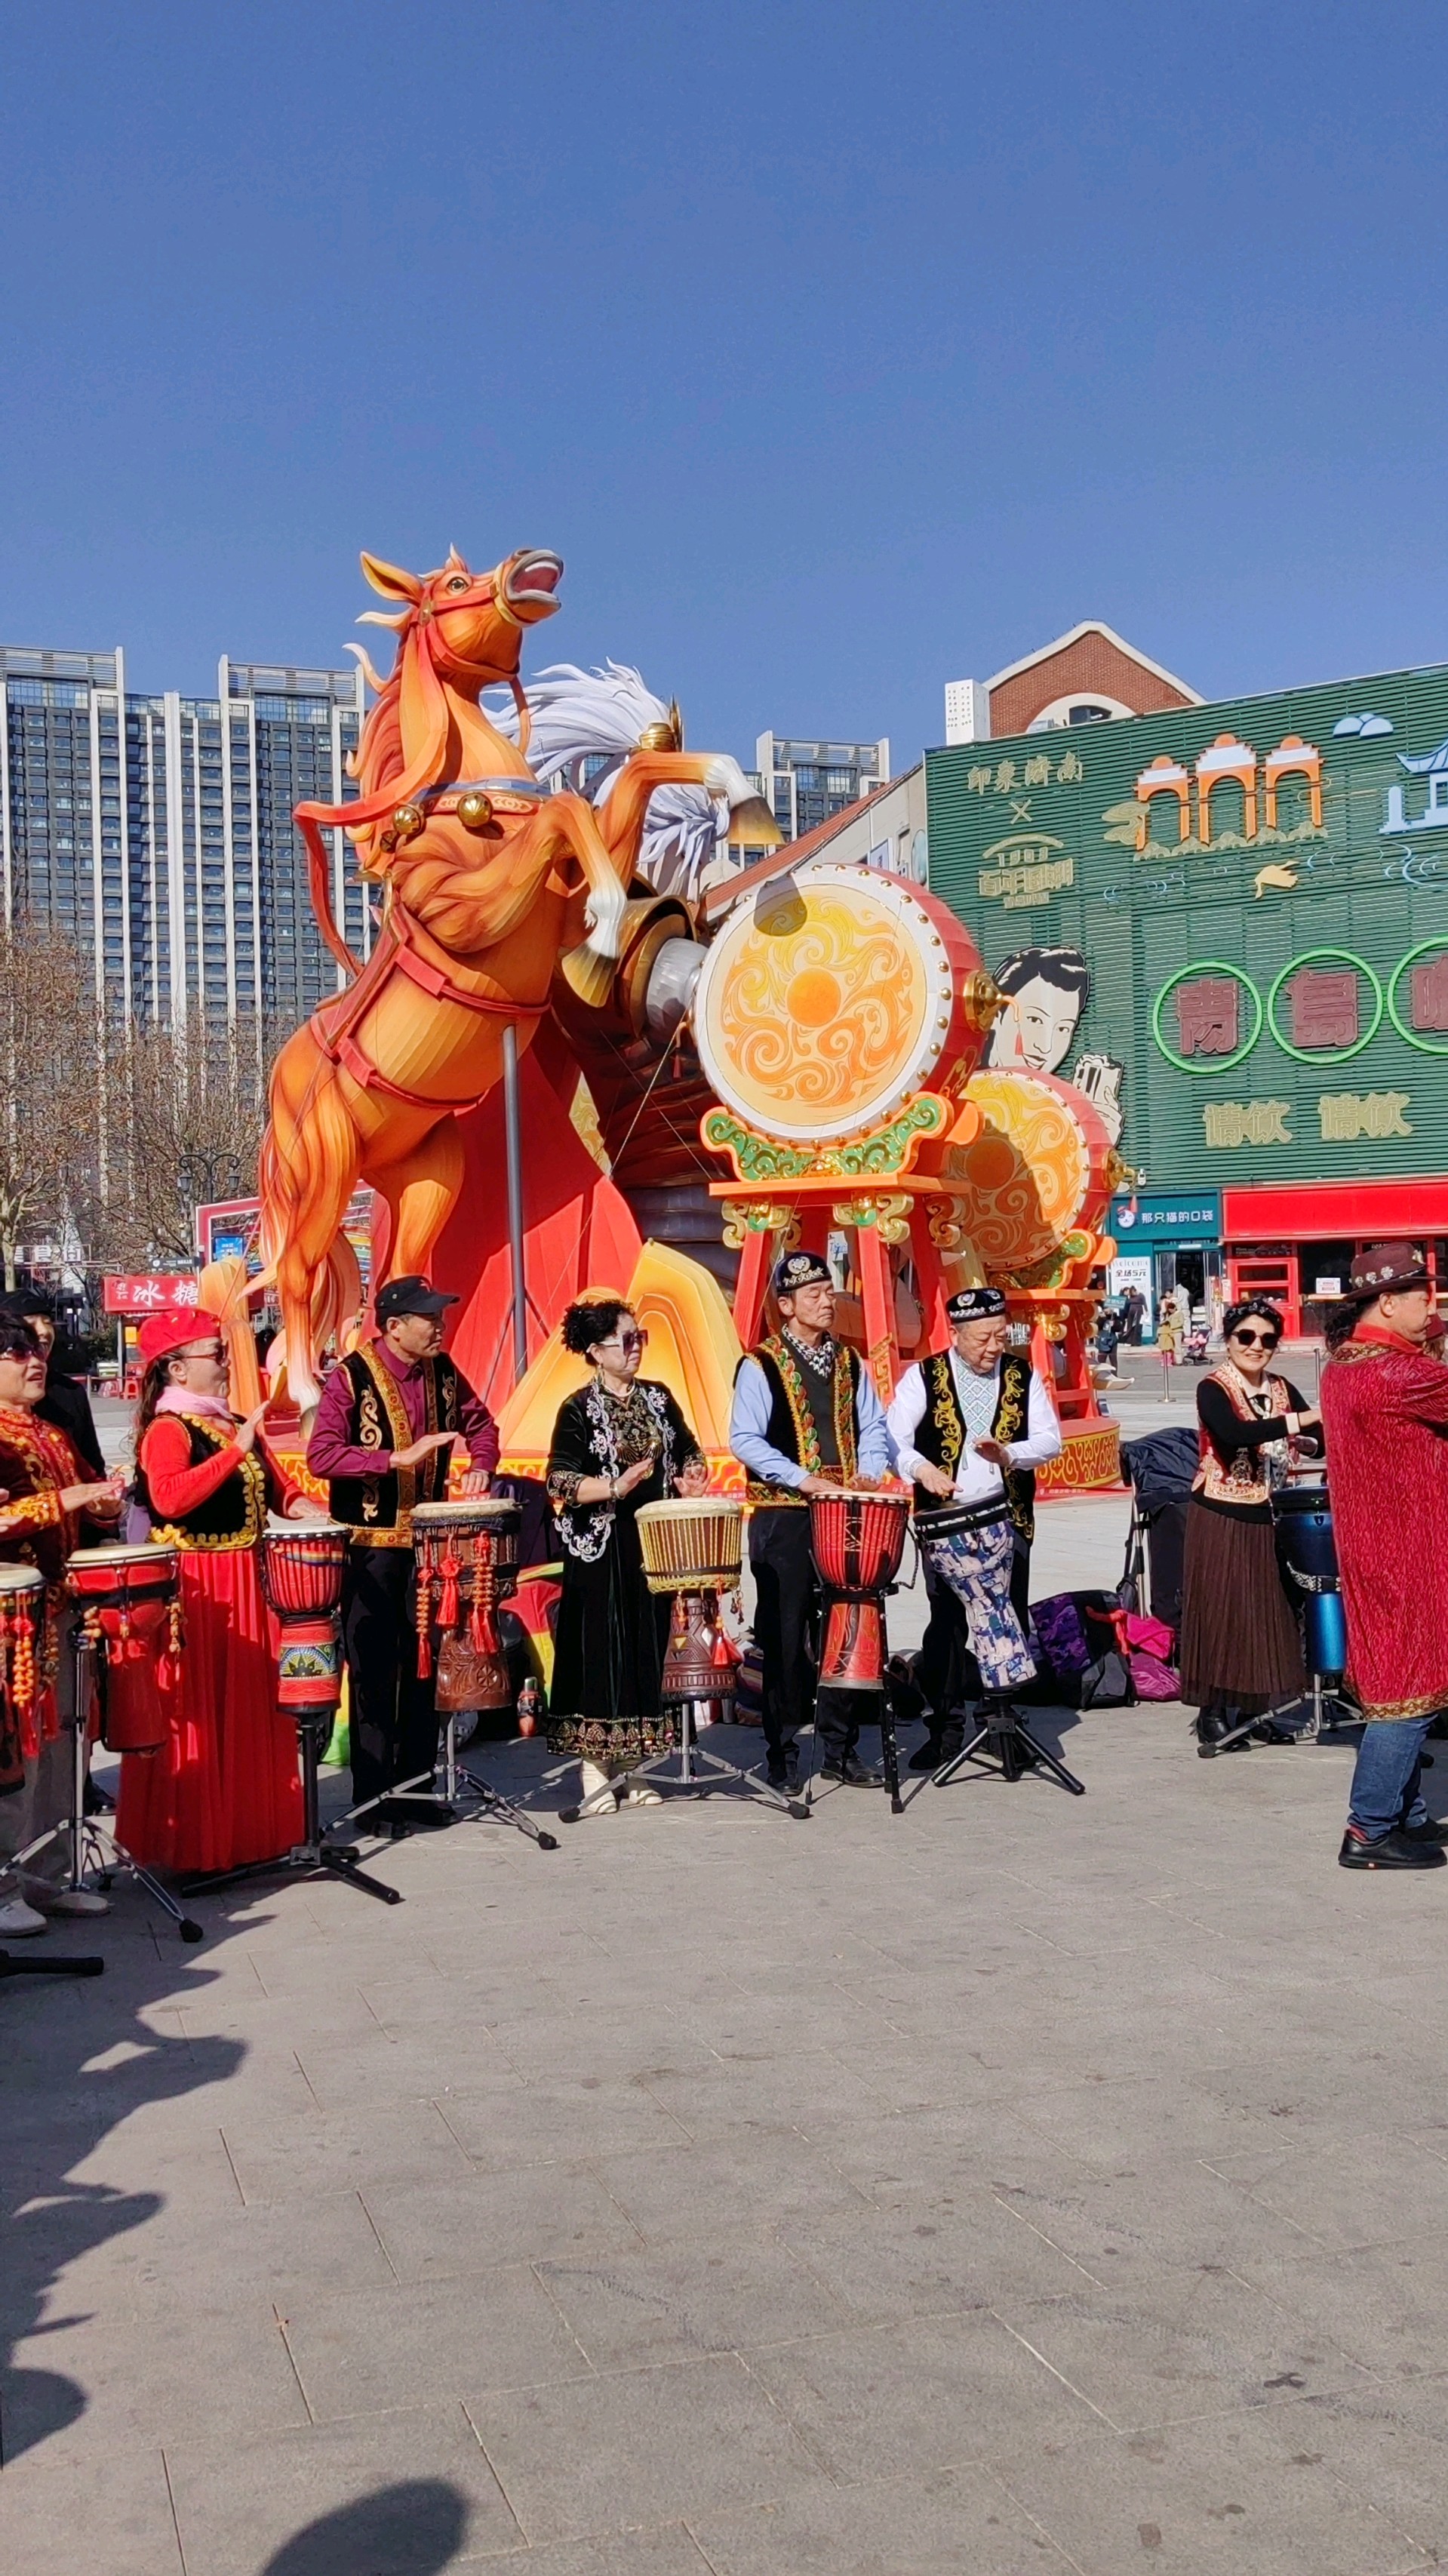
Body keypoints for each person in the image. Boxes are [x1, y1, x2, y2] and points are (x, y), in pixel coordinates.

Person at [116, 1310, 319, 1877]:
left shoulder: (230, 1421)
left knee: (251, 1709)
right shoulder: (168, 1429)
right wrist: (235, 1451)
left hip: (248, 1580)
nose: (228, 1363)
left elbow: (281, 1490)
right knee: (202, 1709)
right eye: (217, 1354)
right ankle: (199, 1846)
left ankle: (249, 1835)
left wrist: (311, 1510)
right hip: (199, 1588)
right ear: (177, 1369)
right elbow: (169, 1497)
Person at [307, 1275, 500, 1830]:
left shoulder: (443, 1370)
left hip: (430, 1549)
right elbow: (322, 1455)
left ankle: (417, 1789)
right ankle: (372, 1799)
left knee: (424, 1668)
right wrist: (394, 1459)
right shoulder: (351, 1376)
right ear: (394, 1326)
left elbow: (481, 1424)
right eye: (428, 1318)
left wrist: (481, 1464)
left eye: (440, 1316)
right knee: (373, 1672)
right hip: (370, 1552)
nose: (440, 1326)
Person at [729, 1250, 892, 1790]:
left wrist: (869, 1470)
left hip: (842, 1511)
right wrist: (802, 1478)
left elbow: (872, 1426)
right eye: (814, 1294)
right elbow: (745, 1439)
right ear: (786, 1305)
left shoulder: (850, 1361)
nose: (827, 1301)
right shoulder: (760, 1364)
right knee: (783, 1631)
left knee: (845, 1626)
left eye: (829, 1291)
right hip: (783, 1514)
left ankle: (840, 1746)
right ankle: (781, 1750)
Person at [544, 1297, 708, 1820]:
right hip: (601, 1549)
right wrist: (615, 1485)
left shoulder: (658, 1397)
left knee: (646, 1647)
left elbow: (689, 1450)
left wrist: (691, 1475)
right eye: (627, 1340)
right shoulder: (576, 1408)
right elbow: (560, 1480)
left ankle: (636, 1765)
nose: (637, 1348)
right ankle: (595, 1767)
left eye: (641, 1338)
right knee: (601, 1653)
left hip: (652, 1544)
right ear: (596, 1351)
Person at [887, 1287, 1061, 1769]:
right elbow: (894, 1437)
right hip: (945, 1524)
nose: (993, 1347)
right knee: (946, 1625)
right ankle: (945, 1729)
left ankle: (1000, 1723)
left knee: (1008, 1619)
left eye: (1000, 1336)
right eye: (982, 1338)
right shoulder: (924, 1376)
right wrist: (921, 1469)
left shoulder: (1022, 1375)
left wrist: (1010, 1454)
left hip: (1008, 1519)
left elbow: (1050, 1439)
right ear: (956, 1333)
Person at [1320, 1244, 1448, 1871]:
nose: (1432, 1307)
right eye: (1423, 1296)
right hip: (1409, 1551)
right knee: (1410, 1690)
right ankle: (1369, 1827)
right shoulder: (1401, 1375)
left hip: (1371, 1549)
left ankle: (1406, 1812)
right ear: (1389, 1302)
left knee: (1396, 1679)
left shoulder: (1341, 1365)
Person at [0, 1318, 124, 1936]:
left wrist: (103, 1503)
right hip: (11, 1623)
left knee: (65, 1748)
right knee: (14, 1756)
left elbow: (89, 1502)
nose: (35, 1360)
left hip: (62, 1612)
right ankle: (4, 1887)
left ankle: (49, 1877)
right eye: (16, 1352)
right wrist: (63, 1501)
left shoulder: (51, 1431)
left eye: (36, 1350)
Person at [1177, 1300, 1320, 1755]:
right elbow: (1233, 1434)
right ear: (1229, 1340)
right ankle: (1214, 1711)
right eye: (1246, 1336)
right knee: (1224, 1611)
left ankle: (1258, 1710)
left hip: (1270, 1513)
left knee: (1267, 1614)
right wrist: (1298, 1421)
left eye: (1267, 1339)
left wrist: (1308, 1440)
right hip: (1222, 1512)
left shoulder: (1281, 1386)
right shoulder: (1213, 1387)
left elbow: (1319, 1440)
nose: (1257, 1346)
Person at [0, 1289, 106, 1478]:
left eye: (38, 1352)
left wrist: (101, 1492)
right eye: (20, 1353)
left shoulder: (60, 1417)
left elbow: (92, 1470)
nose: (43, 1331)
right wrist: (60, 1496)